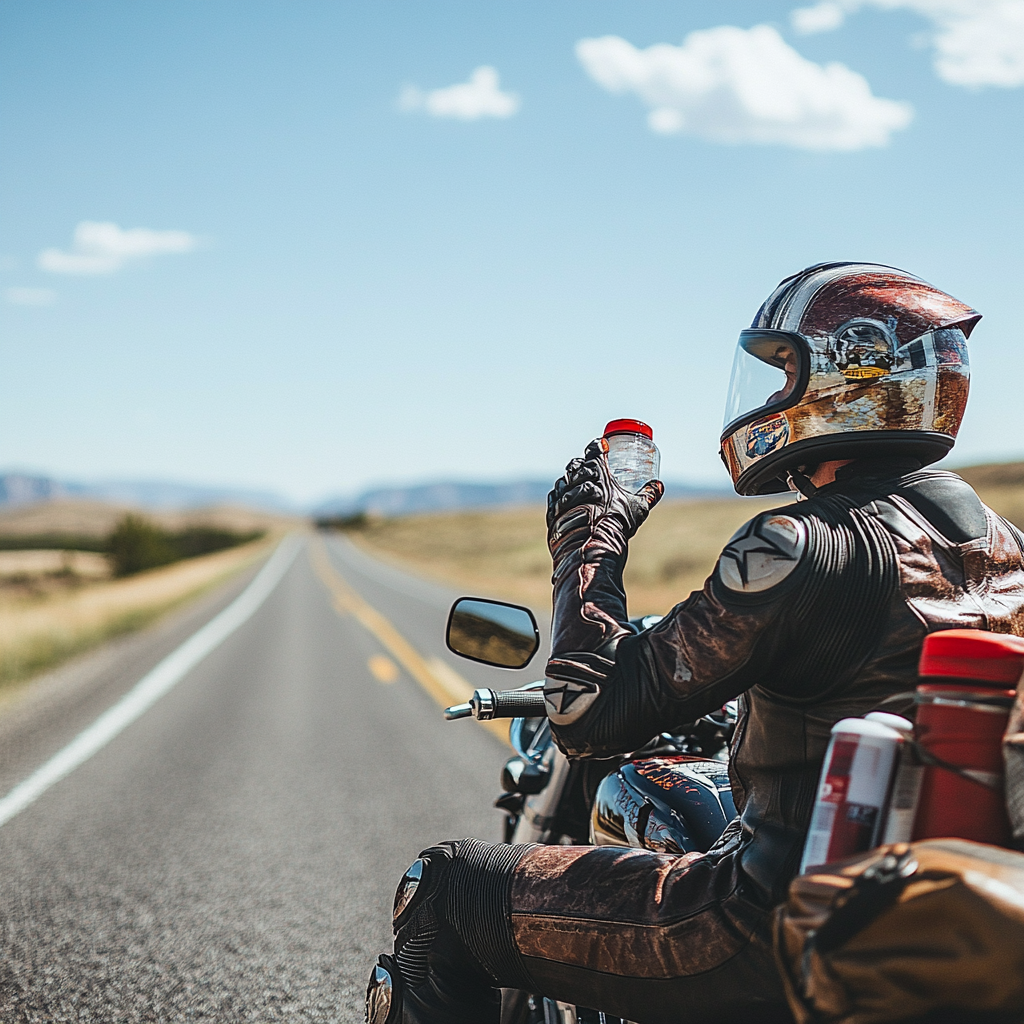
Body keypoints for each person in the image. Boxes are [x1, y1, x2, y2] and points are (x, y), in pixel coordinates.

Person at [365, 262, 1024, 1024]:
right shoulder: (1007, 549)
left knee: (445, 886)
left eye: (784, 373)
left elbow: (588, 716)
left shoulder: (802, 544)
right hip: (946, 919)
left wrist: (592, 538)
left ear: (845, 381)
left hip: (770, 923)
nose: (772, 398)